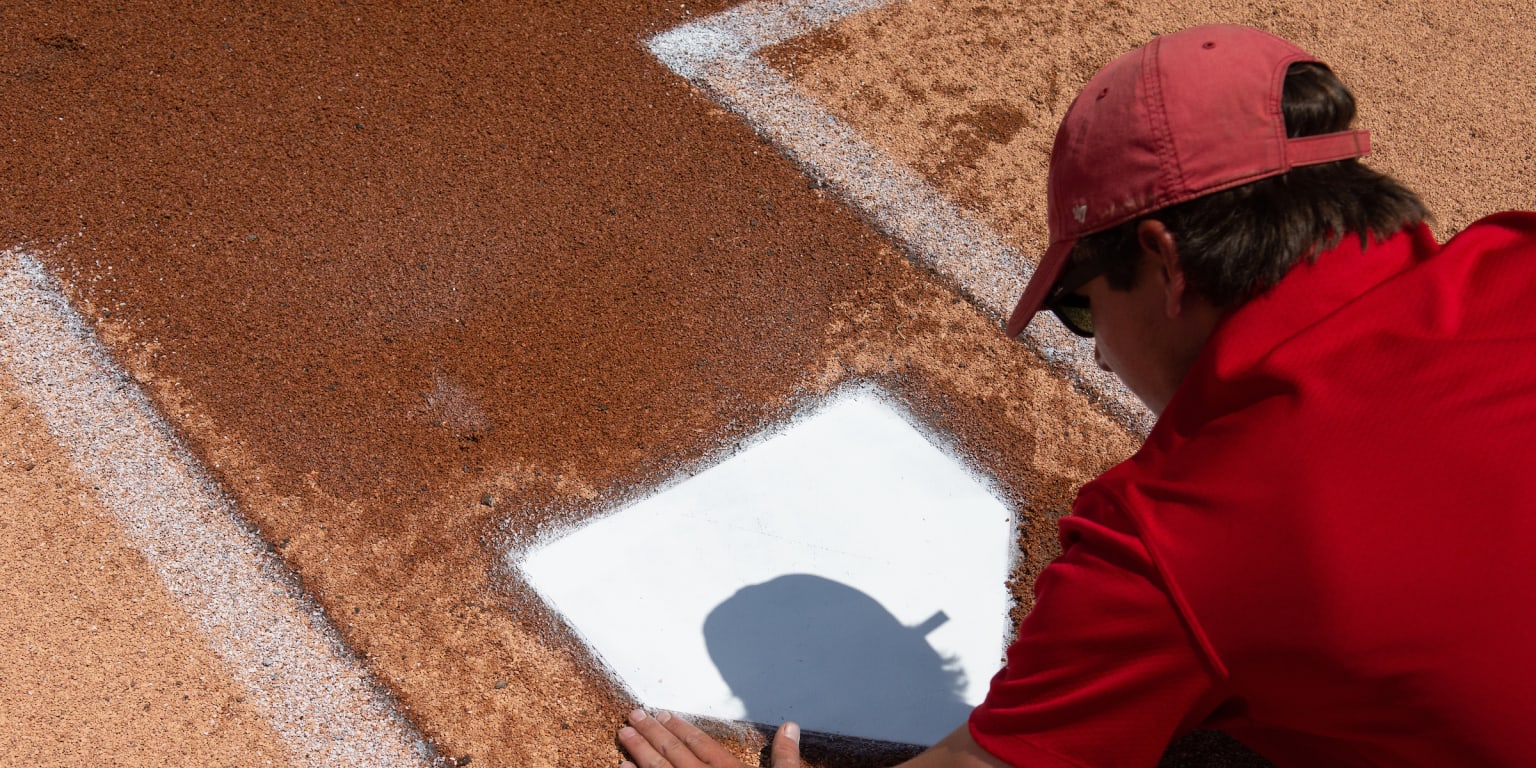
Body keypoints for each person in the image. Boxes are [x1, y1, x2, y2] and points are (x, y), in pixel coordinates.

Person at [617, 23, 1536, 768]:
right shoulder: (1515, 257)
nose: (1098, 361)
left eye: (1081, 309)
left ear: (1165, 264)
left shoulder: (1177, 541)